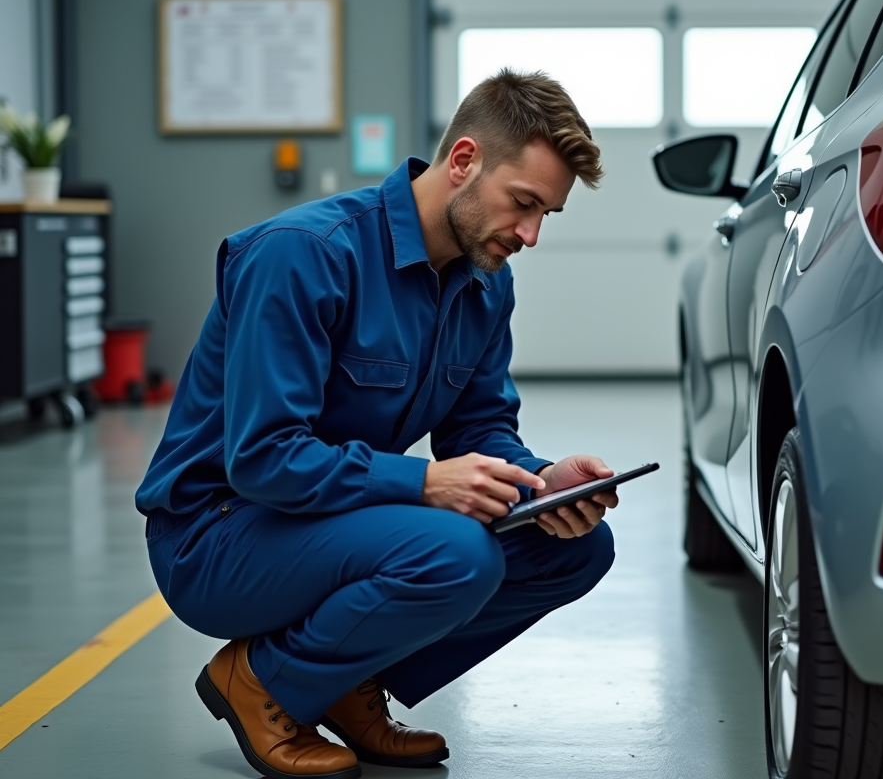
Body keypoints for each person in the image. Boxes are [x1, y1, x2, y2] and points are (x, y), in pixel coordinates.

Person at [135, 69, 617, 779]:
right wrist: (422, 481)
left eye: (547, 213)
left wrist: (540, 482)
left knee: (575, 549)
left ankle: (341, 681)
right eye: (523, 203)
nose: (531, 234)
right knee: (457, 553)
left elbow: (480, 427)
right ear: (463, 162)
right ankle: (265, 681)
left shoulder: (487, 283)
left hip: (329, 520)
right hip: (218, 534)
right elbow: (264, 458)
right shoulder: (303, 254)